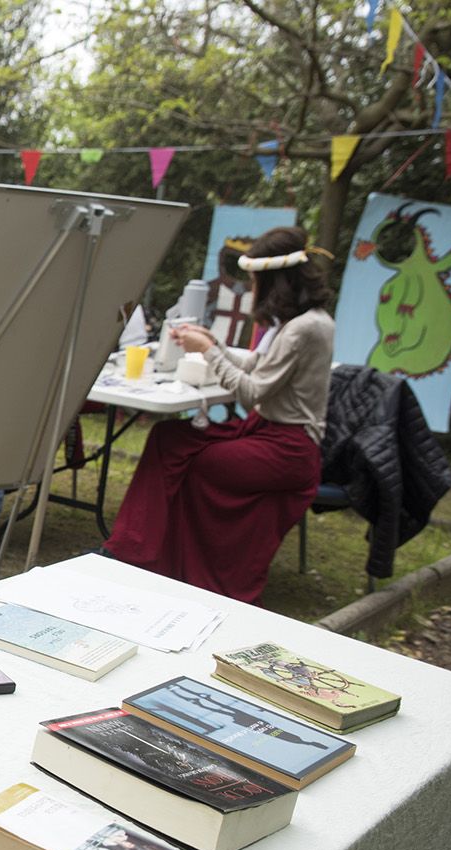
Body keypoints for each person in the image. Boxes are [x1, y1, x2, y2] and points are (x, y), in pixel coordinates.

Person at [102, 226, 335, 603]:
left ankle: (152, 557)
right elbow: (259, 363)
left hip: (287, 449)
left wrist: (208, 351)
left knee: (197, 461)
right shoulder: (302, 322)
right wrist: (212, 342)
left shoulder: (304, 329)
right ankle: (134, 547)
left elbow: (253, 391)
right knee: (168, 437)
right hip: (268, 433)